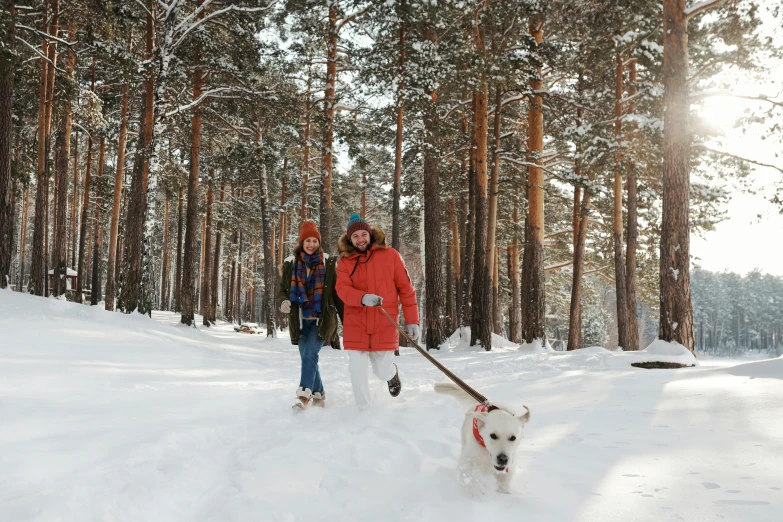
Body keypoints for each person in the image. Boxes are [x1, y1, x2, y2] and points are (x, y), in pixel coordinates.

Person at [336, 213, 420, 410]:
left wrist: (412, 321)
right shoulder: (345, 262)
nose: (360, 239)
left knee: (381, 371)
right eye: (355, 236)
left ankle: (391, 374)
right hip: (356, 321)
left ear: (370, 234)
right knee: (356, 368)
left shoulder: (391, 255)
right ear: (349, 239)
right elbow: (342, 289)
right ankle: (364, 410)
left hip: (385, 321)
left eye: (363, 234)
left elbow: (406, 290)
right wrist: (361, 298)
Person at [278, 221, 342, 411]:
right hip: (299, 320)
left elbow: (337, 294)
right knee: (308, 358)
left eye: (315, 240)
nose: (311, 244)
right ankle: (319, 394)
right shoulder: (290, 263)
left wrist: (347, 320)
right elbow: (283, 290)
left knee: (310, 355)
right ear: (302, 242)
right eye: (308, 240)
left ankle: (303, 395)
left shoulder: (328, 262)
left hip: (321, 320)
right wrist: (283, 301)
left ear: (319, 243)